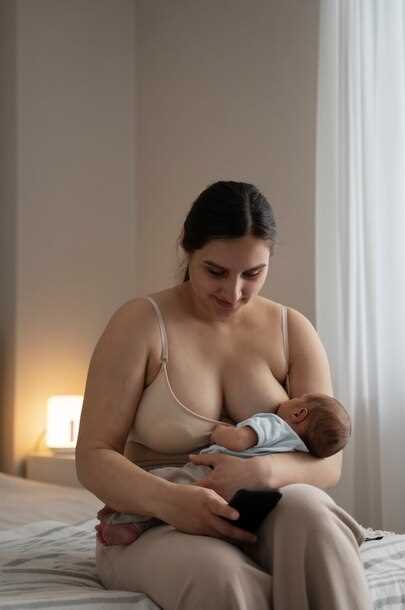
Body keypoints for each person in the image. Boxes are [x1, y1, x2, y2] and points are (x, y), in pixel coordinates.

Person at [76, 181, 371, 610]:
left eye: (252, 274)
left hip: (262, 505)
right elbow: (93, 456)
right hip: (155, 521)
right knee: (225, 580)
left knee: (316, 519)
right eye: (216, 272)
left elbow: (329, 462)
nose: (233, 293)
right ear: (188, 247)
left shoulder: (292, 330)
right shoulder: (140, 323)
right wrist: (172, 501)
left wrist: (261, 473)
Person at [95, 392, 352, 546]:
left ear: (299, 413)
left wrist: (219, 432)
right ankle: (134, 522)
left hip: (211, 473)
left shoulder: (275, 424)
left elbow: (239, 440)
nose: (289, 399)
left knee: (164, 482)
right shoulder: (298, 451)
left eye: (296, 399)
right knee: (178, 511)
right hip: (247, 501)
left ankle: (122, 515)